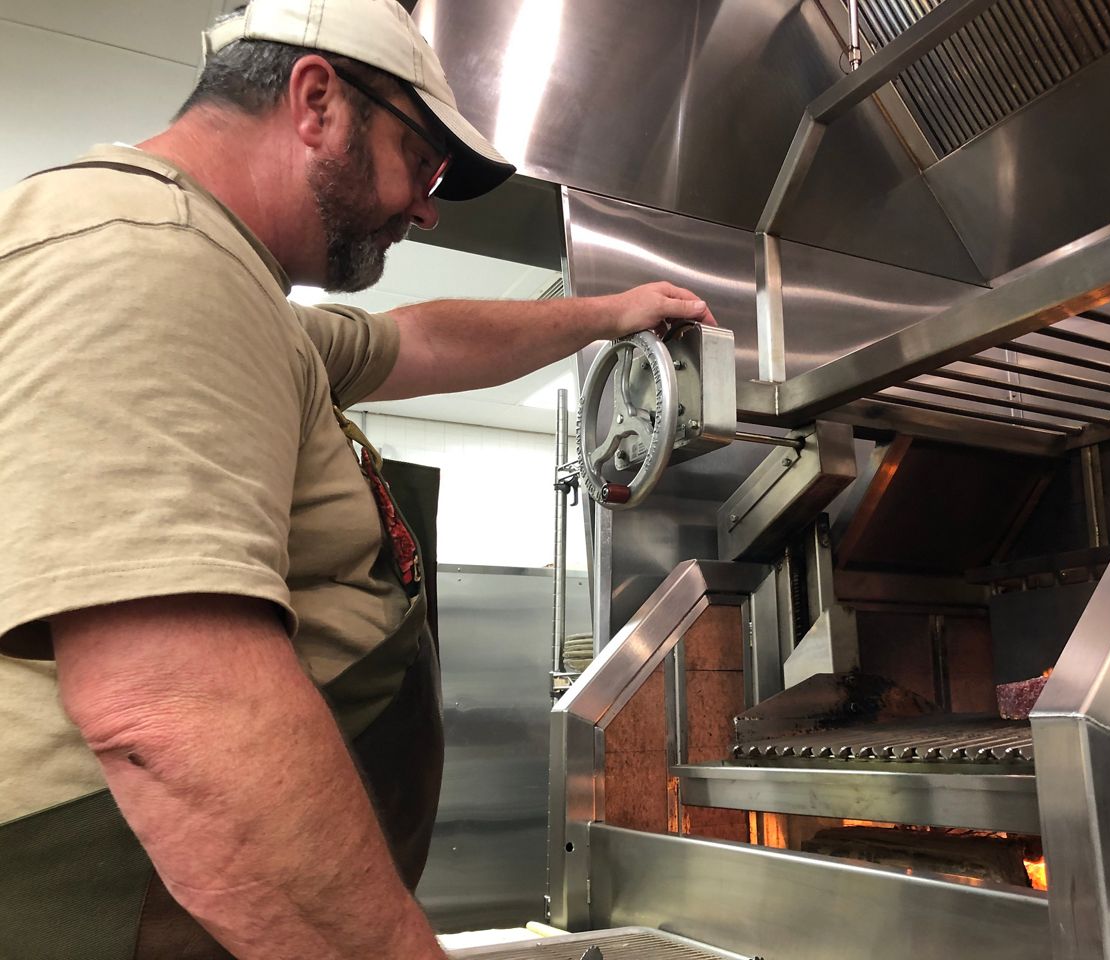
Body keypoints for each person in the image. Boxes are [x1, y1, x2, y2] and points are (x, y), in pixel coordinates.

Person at [0, 1, 715, 957]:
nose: (425, 206)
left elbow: (422, 340)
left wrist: (607, 313)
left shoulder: (240, 294)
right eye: (422, 164)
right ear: (317, 103)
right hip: (139, 900)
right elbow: (173, 713)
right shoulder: (148, 252)